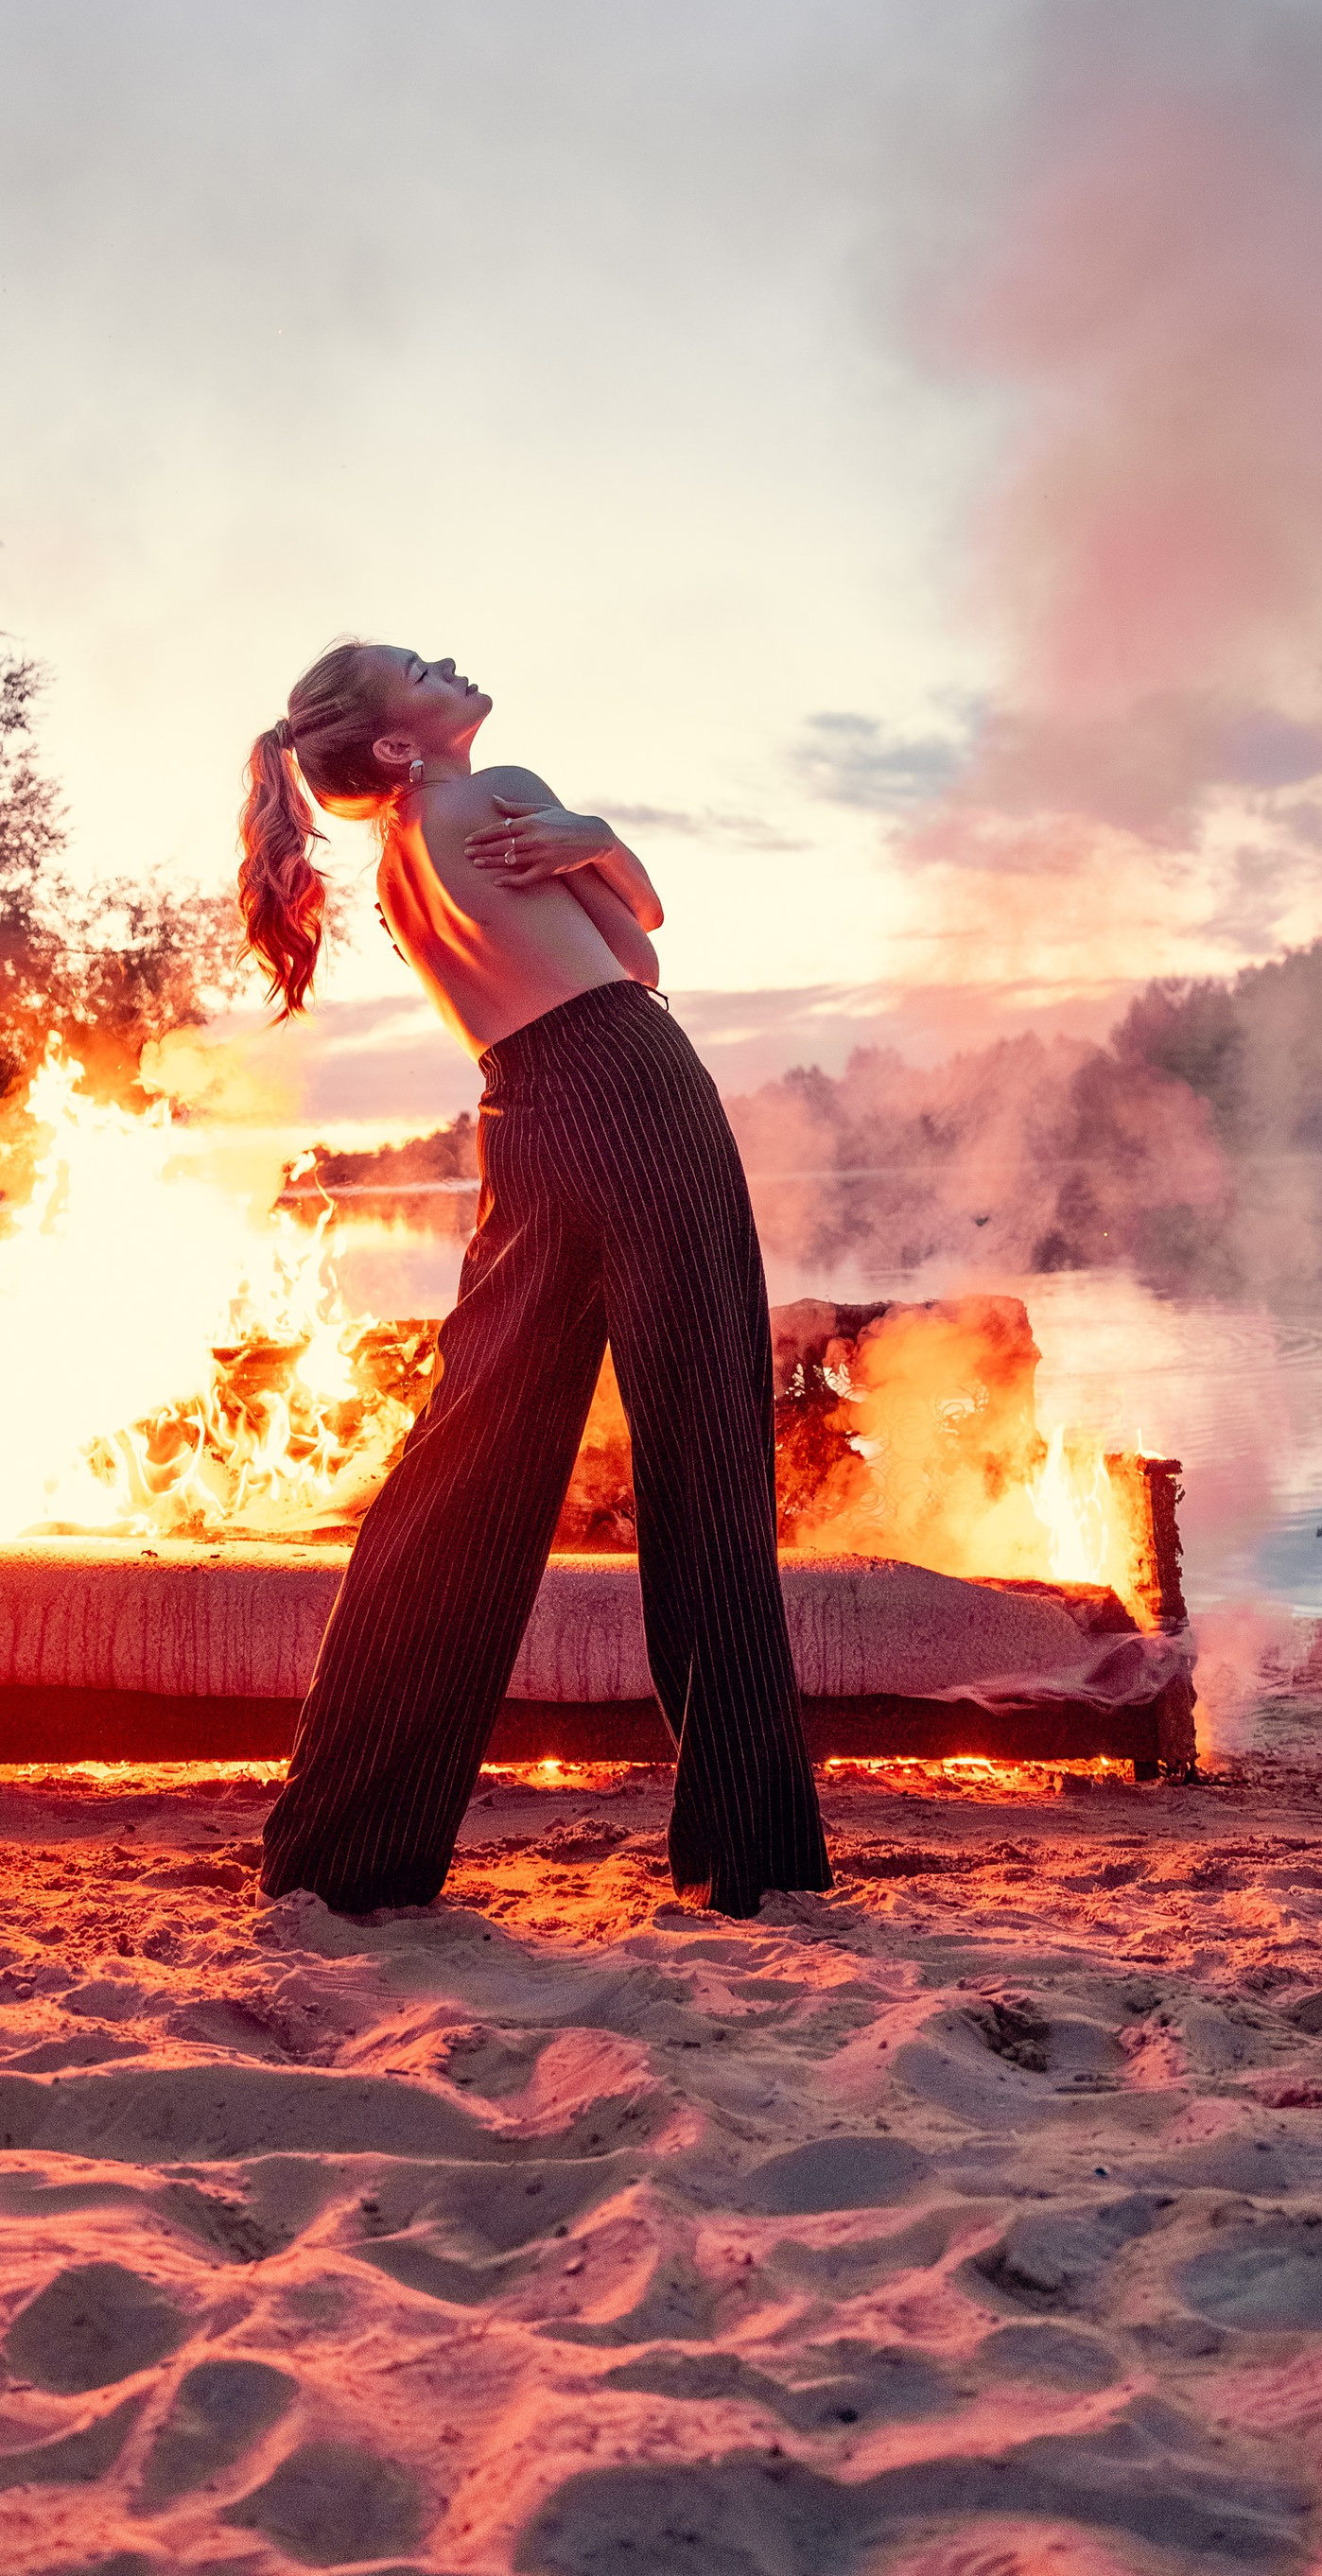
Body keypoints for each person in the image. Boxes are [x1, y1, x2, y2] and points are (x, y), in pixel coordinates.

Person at [236, 639, 831, 1921]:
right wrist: (595, 832)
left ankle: (346, 1853)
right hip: (634, 1088)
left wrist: (592, 837)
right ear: (396, 743)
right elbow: (643, 958)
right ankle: (754, 1851)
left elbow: (633, 939)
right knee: (706, 1452)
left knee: (468, 1471)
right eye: (416, 663)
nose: (446, 658)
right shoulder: (493, 783)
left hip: (528, 1117)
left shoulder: (402, 866)